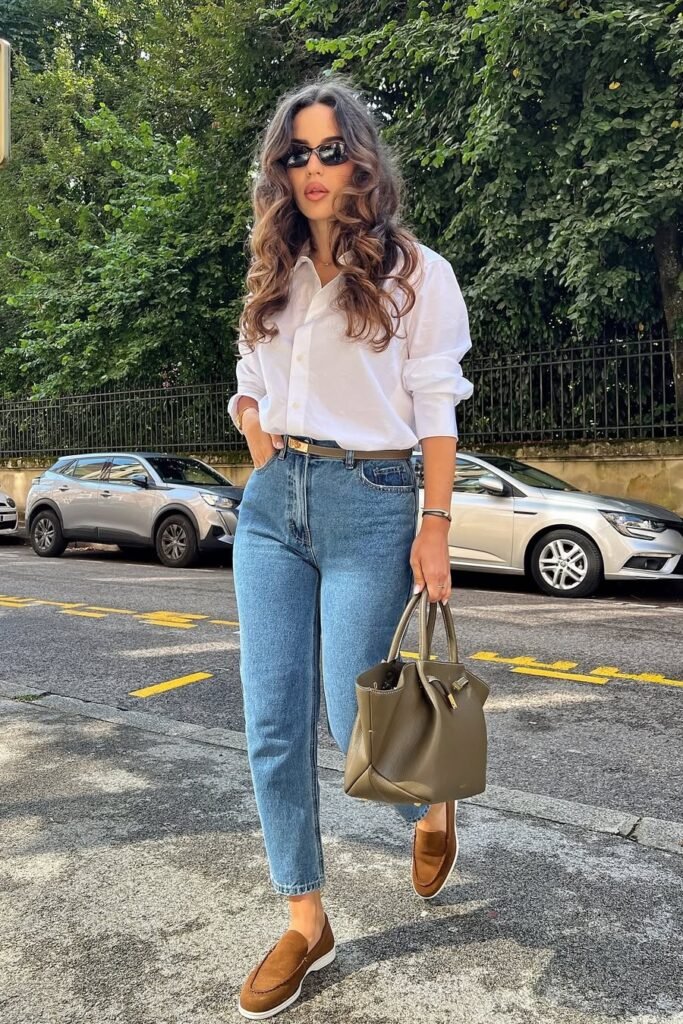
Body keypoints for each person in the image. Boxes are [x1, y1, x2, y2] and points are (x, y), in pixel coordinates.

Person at [227, 75, 474, 1019]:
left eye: (331, 150)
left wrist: (434, 525)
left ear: (361, 158)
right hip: (271, 507)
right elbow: (249, 375)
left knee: (352, 718)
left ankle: (432, 801)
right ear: (279, 169)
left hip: (373, 501)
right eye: (297, 153)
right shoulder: (274, 269)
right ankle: (304, 919)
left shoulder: (416, 273)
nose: (314, 167)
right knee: (271, 724)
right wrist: (256, 435)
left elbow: (437, 409)